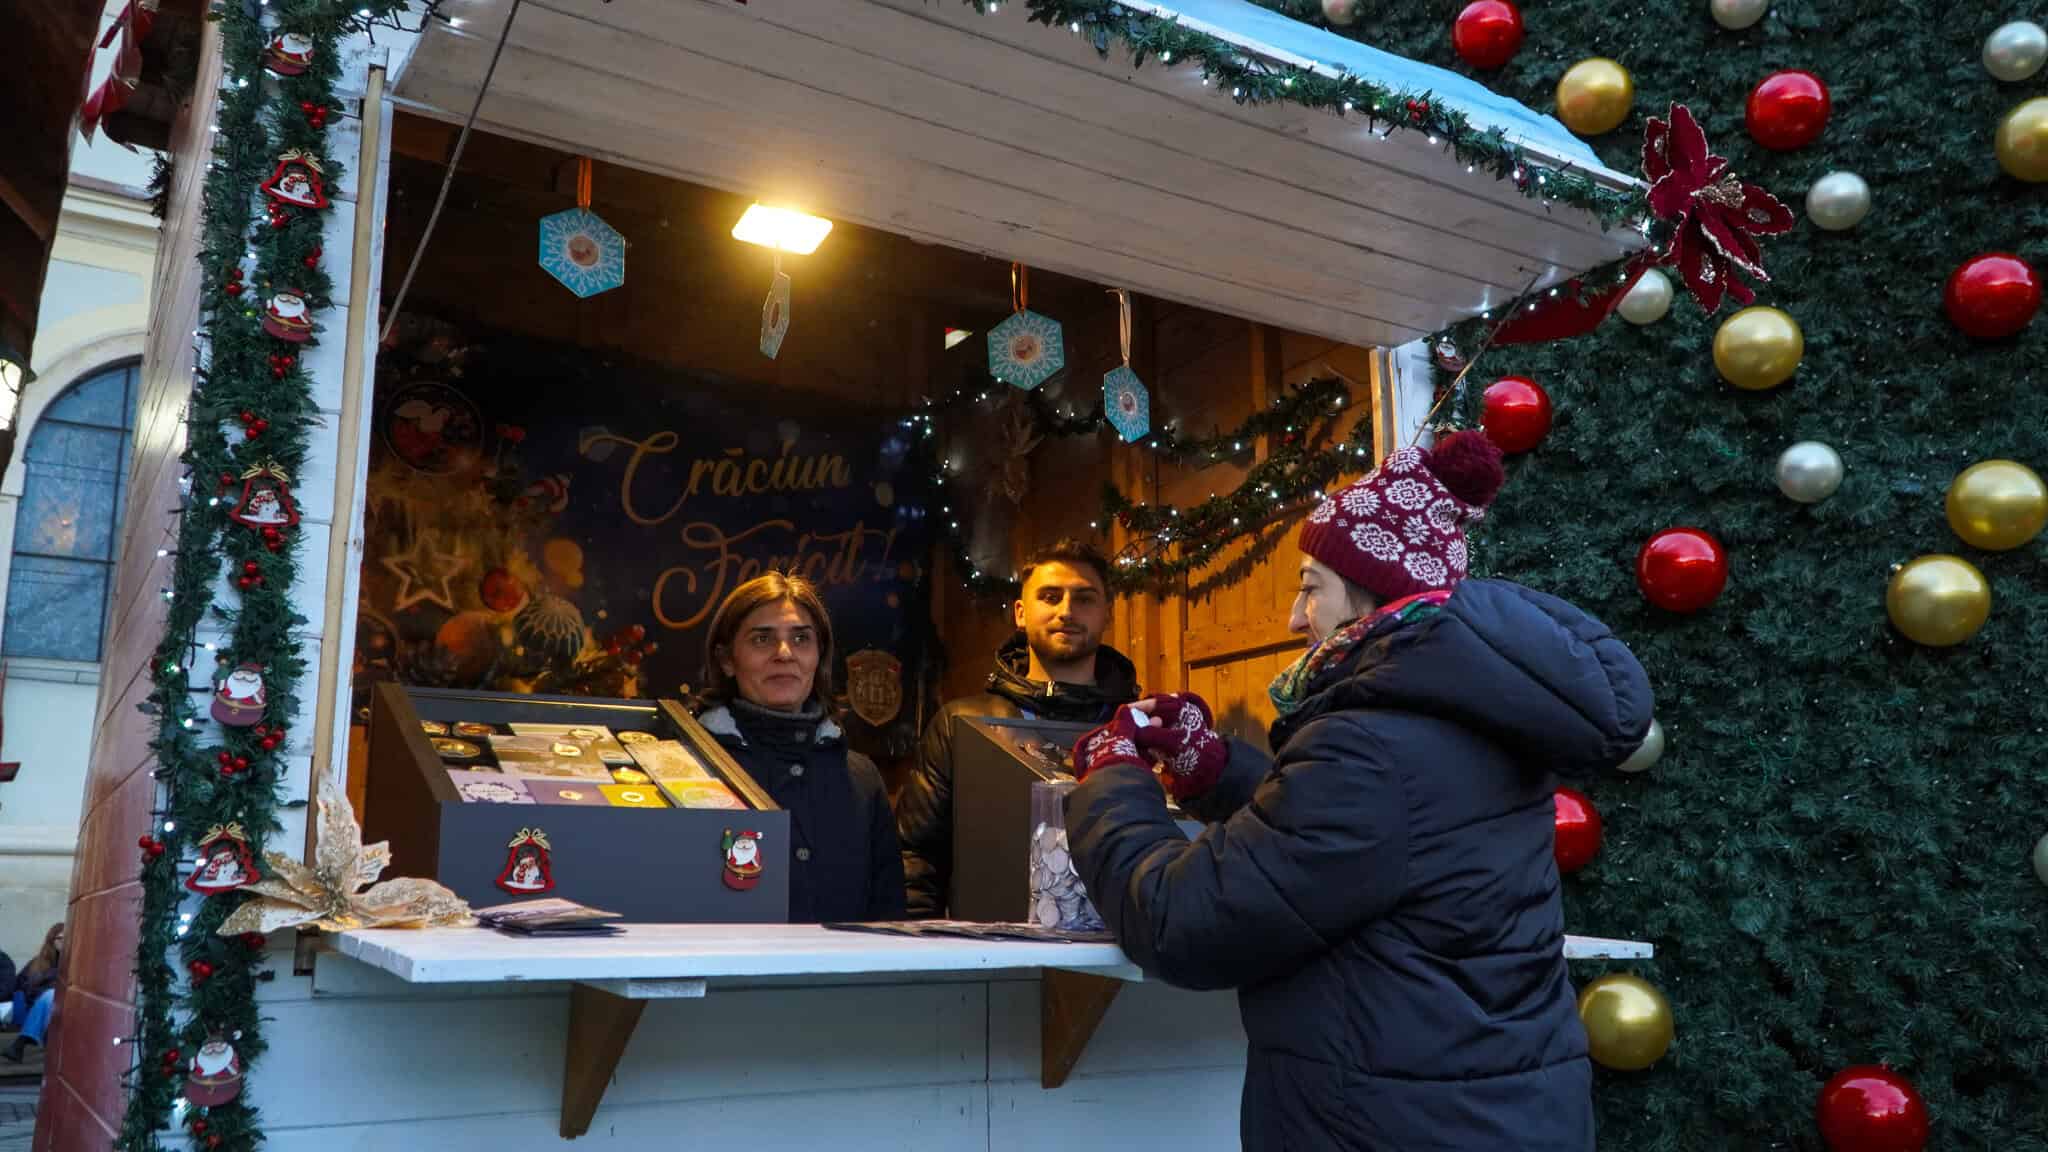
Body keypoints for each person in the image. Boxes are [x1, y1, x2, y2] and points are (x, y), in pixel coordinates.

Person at [1064, 431, 1652, 1152]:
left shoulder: (1374, 746)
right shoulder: (1457, 714)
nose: (1292, 616)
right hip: (1490, 1112)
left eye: (1310, 585)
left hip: (1397, 1125)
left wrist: (1112, 778)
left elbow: (1182, 924)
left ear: (1372, 594)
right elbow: (1354, 841)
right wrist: (1212, 768)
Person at [897, 538, 1140, 918]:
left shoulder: (1139, 727)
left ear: (1107, 613)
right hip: (991, 956)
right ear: (1021, 613)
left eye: (1084, 598)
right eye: (1050, 596)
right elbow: (917, 857)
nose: (1066, 610)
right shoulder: (962, 724)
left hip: (1115, 950)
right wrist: (926, 957)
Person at [698, 572, 906, 923]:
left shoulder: (861, 779)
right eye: (762, 639)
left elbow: (889, 917)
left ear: (818, 656)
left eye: (800, 639)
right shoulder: (692, 766)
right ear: (726, 659)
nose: (785, 653)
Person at [3, 922, 63, 1063]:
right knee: (50, 995)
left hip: (61, 1009)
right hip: (33, 1007)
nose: (64, 942)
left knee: (52, 995)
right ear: (52, 941)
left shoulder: (74, 963)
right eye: (60, 938)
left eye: (68, 938)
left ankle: (21, 1042)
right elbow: (19, 984)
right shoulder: (38, 962)